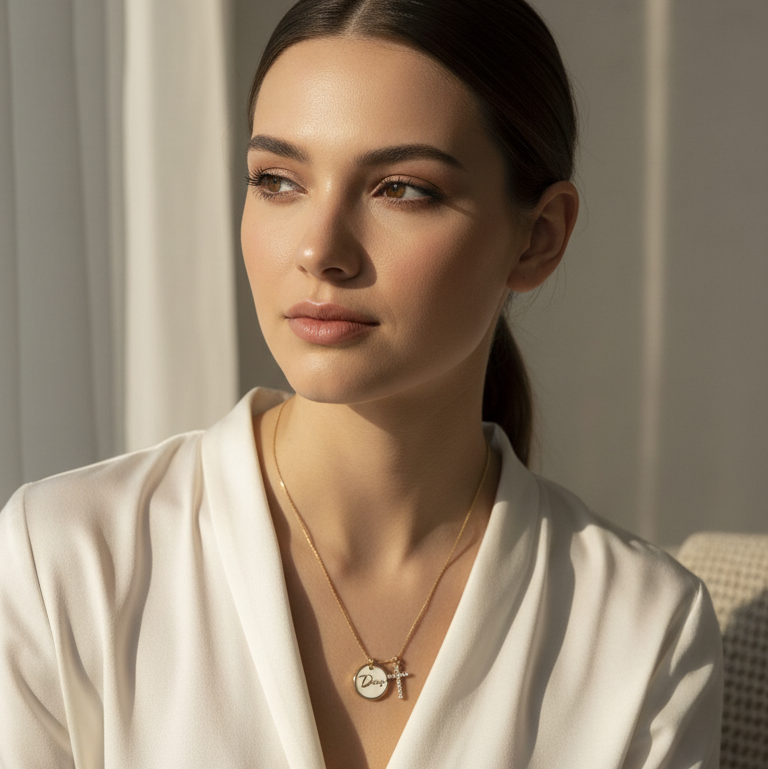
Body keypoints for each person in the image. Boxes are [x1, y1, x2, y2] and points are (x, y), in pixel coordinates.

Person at [0, 0, 723, 767]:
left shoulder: (643, 631)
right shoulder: (66, 562)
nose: (320, 250)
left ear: (538, 237)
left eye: (400, 189)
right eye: (278, 180)